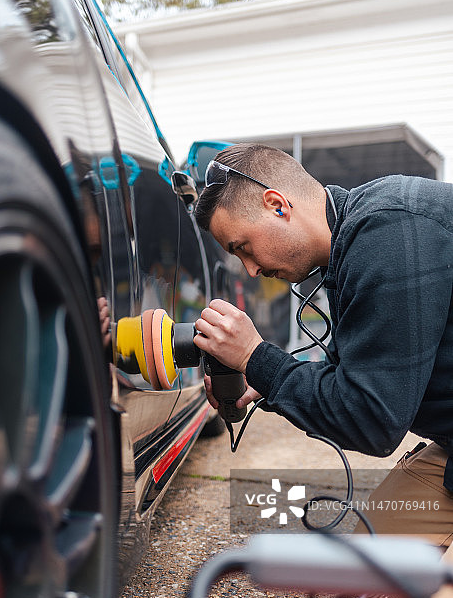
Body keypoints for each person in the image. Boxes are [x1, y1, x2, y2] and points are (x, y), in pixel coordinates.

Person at [192, 142, 453, 546]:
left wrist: (255, 357)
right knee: (374, 571)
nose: (252, 269)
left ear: (277, 204)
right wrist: (262, 377)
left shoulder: (388, 232)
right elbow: (354, 379)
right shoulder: (348, 247)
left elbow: (373, 421)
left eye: (242, 247)